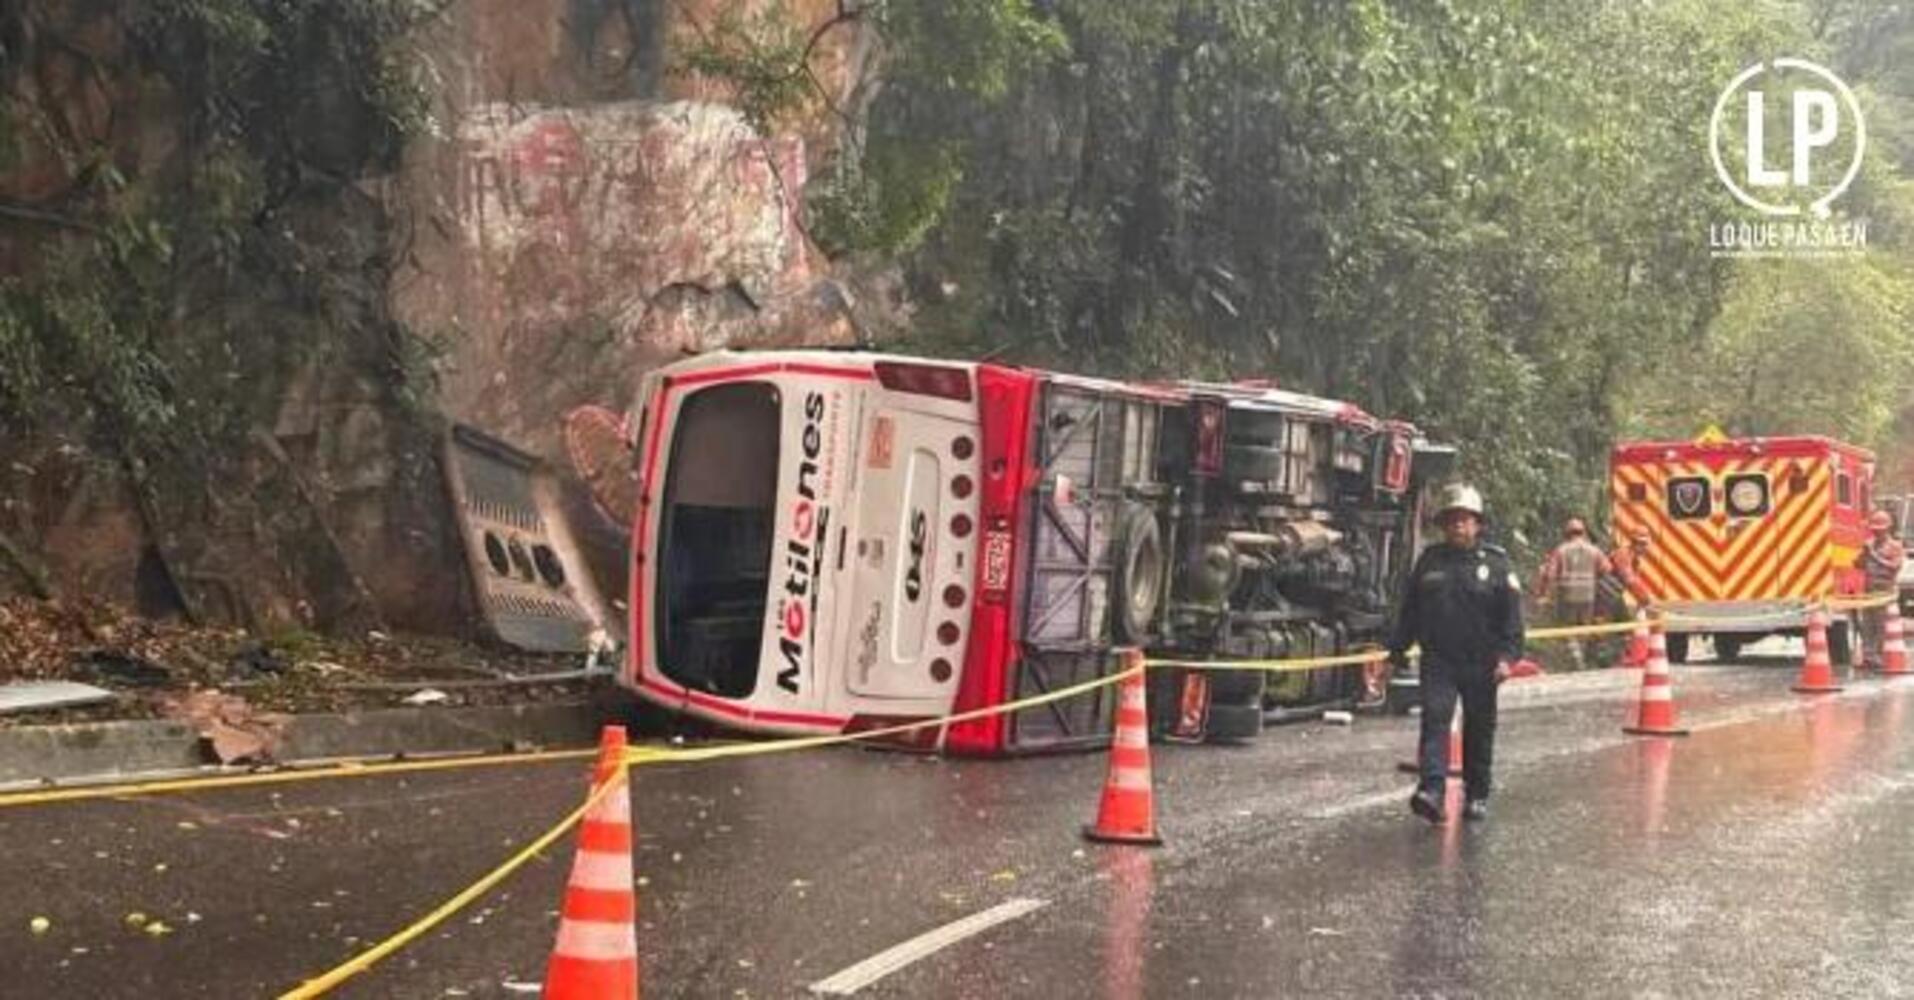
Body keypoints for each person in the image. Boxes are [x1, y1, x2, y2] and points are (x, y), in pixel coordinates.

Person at [1389, 483, 1525, 824]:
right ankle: (1432, 791)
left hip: (1483, 663)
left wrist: (1508, 659)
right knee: (1435, 720)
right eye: (1451, 521)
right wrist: (1395, 651)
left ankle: (1477, 793)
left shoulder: (1496, 564)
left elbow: (1512, 618)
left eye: (1465, 521)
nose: (1458, 527)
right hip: (1440, 659)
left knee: (1479, 729)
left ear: (1478, 524)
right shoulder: (1430, 561)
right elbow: (1411, 610)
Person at [1535, 517, 1613, 668]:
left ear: (1567, 533)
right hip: (1588, 595)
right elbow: (1607, 568)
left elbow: (1550, 575)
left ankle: (1576, 657)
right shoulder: (1593, 550)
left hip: (1567, 596)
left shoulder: (1561, 550)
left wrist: (1545, 595)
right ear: (1583, 532)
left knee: (1568, 628)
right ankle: (1582, 657)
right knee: (1584, 627)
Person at [1858, 510, 1905, 670]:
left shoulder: (1895, 546)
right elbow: (1859, 566)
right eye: (1874, 529)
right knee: (1867, 624)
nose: (1877, 532)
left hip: (1885, 592)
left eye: (1880, 529)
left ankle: (1880, 655)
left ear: (1887, 529)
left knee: (1881, 625)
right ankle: (1869, 656)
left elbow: (1895, 567)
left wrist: (1874, 556)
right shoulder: (1870, 545)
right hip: (1869, 591)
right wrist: (1863, 555)